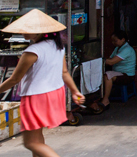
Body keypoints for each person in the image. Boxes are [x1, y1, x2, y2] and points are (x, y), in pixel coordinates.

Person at [0, 9, 85, 157]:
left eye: (28, 29)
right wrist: (74, 91)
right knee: (37, 139)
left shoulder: (32, 51)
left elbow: (15, 79)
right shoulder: (56, 46)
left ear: (40, 31)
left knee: (30, 143)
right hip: (54, 94)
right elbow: (64, 72)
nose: (23, 32)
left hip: (36, 97)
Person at [89, 29, 135, 113]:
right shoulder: (118, 48)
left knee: (108, 76)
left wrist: (95, 59)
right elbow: (110, 59)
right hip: (118, 72)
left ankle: (105, 99)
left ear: (123, 39)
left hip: (127, 75)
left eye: (115, 41)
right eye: (112, 41)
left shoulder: (127, 50)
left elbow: (111, 62)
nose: (113, 43)